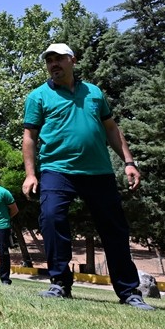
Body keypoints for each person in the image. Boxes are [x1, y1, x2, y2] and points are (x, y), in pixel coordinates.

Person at [22, 43, 155, 310]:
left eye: (58, 58)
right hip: (57, 170)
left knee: (115, 230)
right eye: (49, 60)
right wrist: (30, 174)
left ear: (72, 60)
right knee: (51, 218)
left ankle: (129, 292)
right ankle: (59, 283)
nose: (53, 64)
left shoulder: (94, 93)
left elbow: (111, 129)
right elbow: (29, 137)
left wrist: (129, 162)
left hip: (98, 171)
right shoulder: (38, 96)